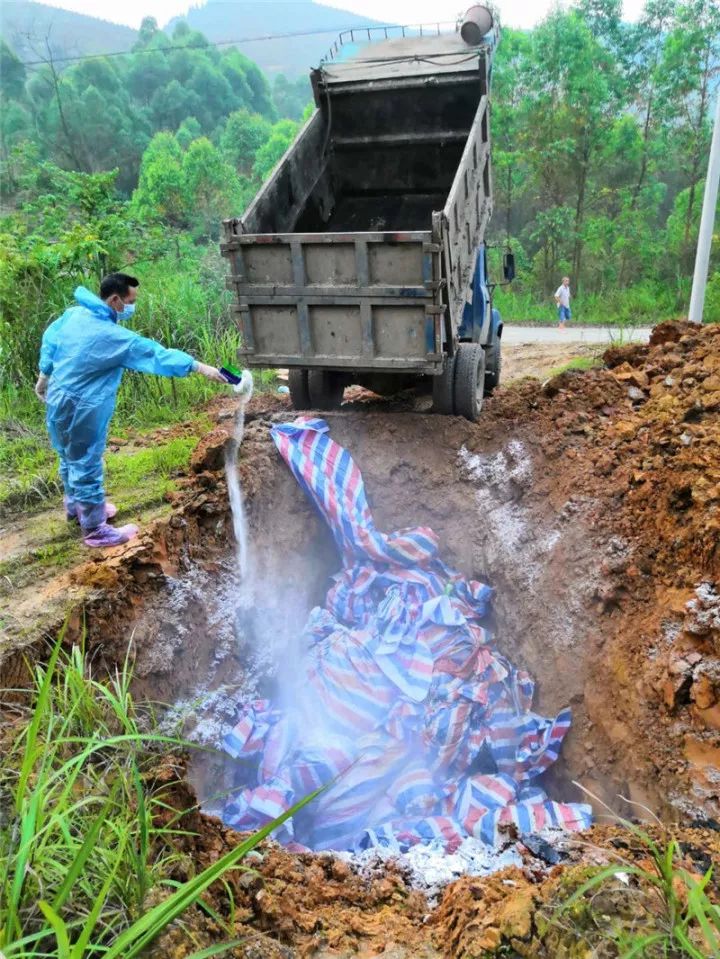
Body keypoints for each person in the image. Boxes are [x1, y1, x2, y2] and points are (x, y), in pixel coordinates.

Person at [34, 273, 226, 548]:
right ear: (115, 300)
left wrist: (44, 375)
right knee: (86, 461)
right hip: (83, 406)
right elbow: (154, 354)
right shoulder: (112, 336)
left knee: (68, 456)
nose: (132, 306)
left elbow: (51, 338)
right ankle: (95, 529)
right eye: (130, 301)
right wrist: (200, 367)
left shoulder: (74, 315)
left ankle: (77, 507)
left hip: (59, 397)